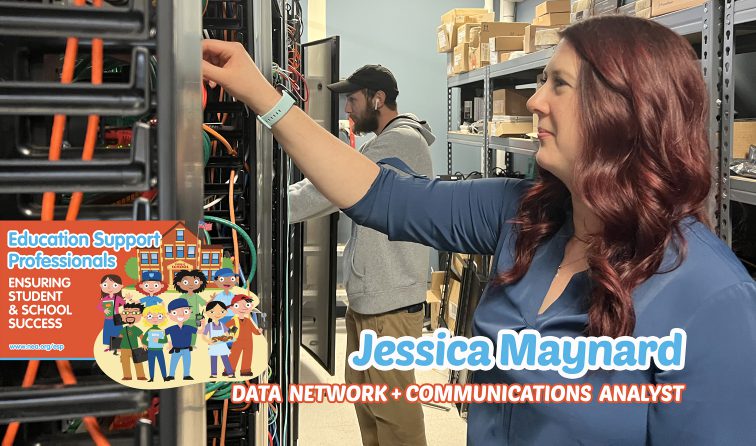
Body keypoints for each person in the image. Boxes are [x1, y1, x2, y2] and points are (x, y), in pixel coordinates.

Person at [202, 15, 756, 446]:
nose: (534, 100)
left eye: (557, 84)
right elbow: (382, 195)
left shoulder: (710, 299)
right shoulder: (521, 214)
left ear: (623, 112)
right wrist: (264, 98)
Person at [287, 64, 433, 444]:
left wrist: (272, 205)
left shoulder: (398, 143)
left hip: (391, 299)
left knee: (392, 405)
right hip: (374, 295)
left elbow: (333, 183)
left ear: (377, 98)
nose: (347, 109)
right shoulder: (386, 141)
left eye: (352, 99)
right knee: (367, 395)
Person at [226, 294, 262, 376]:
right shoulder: (234, 319)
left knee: (247, 356)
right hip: (237, 341)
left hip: (248, 342)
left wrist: (258, 332)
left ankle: (245, 371)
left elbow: (254, 329)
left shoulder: (248, 320)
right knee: (234, 355)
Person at [165, 298, 197, 381]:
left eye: (185, 311)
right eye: (175, 312)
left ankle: (186, 375)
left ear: (190, 311)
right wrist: (169, 342)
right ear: (169, 314)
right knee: (173, 363)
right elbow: (162, 334)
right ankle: (171, 375)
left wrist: (203, 324)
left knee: (187, 363)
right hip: (176, 349)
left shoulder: (189, 327)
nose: (181, 315)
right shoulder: (172, 328)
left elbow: (199, 331)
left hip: (186, 349)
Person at [201, 301, 235, 378]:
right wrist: (208, 341)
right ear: (207, 313)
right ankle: (213, 374)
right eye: (212, 311)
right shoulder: (209, 325)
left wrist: (229, 337)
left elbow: (228, 334)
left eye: (221, 311)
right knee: (213, 360)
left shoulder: (223, 325)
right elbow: (203, 336)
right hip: (213, 345)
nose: (217, 314)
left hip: (222, 345)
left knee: (225, 359)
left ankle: (230, 373)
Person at [117, 303, 147, 381]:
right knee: (125, 363)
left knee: (138, 362)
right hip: (124, 348)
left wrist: (144, 344)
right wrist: (117, 347)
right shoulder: (124, 329)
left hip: (134, 348)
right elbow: (120, 337)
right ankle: (127, 376)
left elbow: (141, 336)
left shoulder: (136, 329)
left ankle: (140, 376)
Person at [140, 304, 169, 382]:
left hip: (159, 349)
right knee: (151, 364)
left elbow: (165, 340)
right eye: (151, 316)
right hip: (151, 350)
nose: (155, 318)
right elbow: (143, 340)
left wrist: (158, 341)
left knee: (162, 363)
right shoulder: (149, 330)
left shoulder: (161, 330)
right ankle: (152, 377)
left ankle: (164, 377)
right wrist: (150, 343)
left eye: (159, 316)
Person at [99, 274, 126, 352]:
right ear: (101, 286)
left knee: (117, 332)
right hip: (108, 318)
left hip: (117, 318)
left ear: (120, 286)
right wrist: (104, 310)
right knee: (108, 332)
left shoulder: (117, 298)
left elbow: (124, 304)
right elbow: (99, 306)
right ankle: (110, 346)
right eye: (105, 285)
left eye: (114, 285)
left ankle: (117, 347)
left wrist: (124, 311)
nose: (109, 287)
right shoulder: (104, 298)